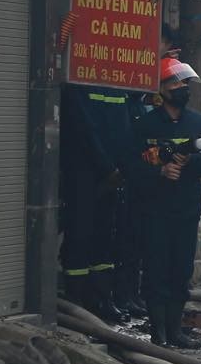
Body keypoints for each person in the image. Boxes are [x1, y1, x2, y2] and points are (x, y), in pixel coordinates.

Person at [133, 57, 201, 349]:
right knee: (156, 269)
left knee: (180, 270)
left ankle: (176, 329)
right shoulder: (144, 125)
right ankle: (158, 333)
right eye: (174, 83)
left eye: (184, 83)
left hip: (185, 209)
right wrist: (160, 171)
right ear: (161, 89)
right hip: (154, 210)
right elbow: (130, 166)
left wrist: (189, 162)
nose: (182, 88)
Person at [60, 82, 141, 323]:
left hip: (112, 176)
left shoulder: (118, 87)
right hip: (83, 175)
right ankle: (77, 299)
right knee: (80, 235)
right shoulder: (79, 85)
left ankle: (101, 299)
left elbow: (125, 132)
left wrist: (121, 169)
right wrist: (107, 168)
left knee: (105, 237)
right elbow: (85, 131)